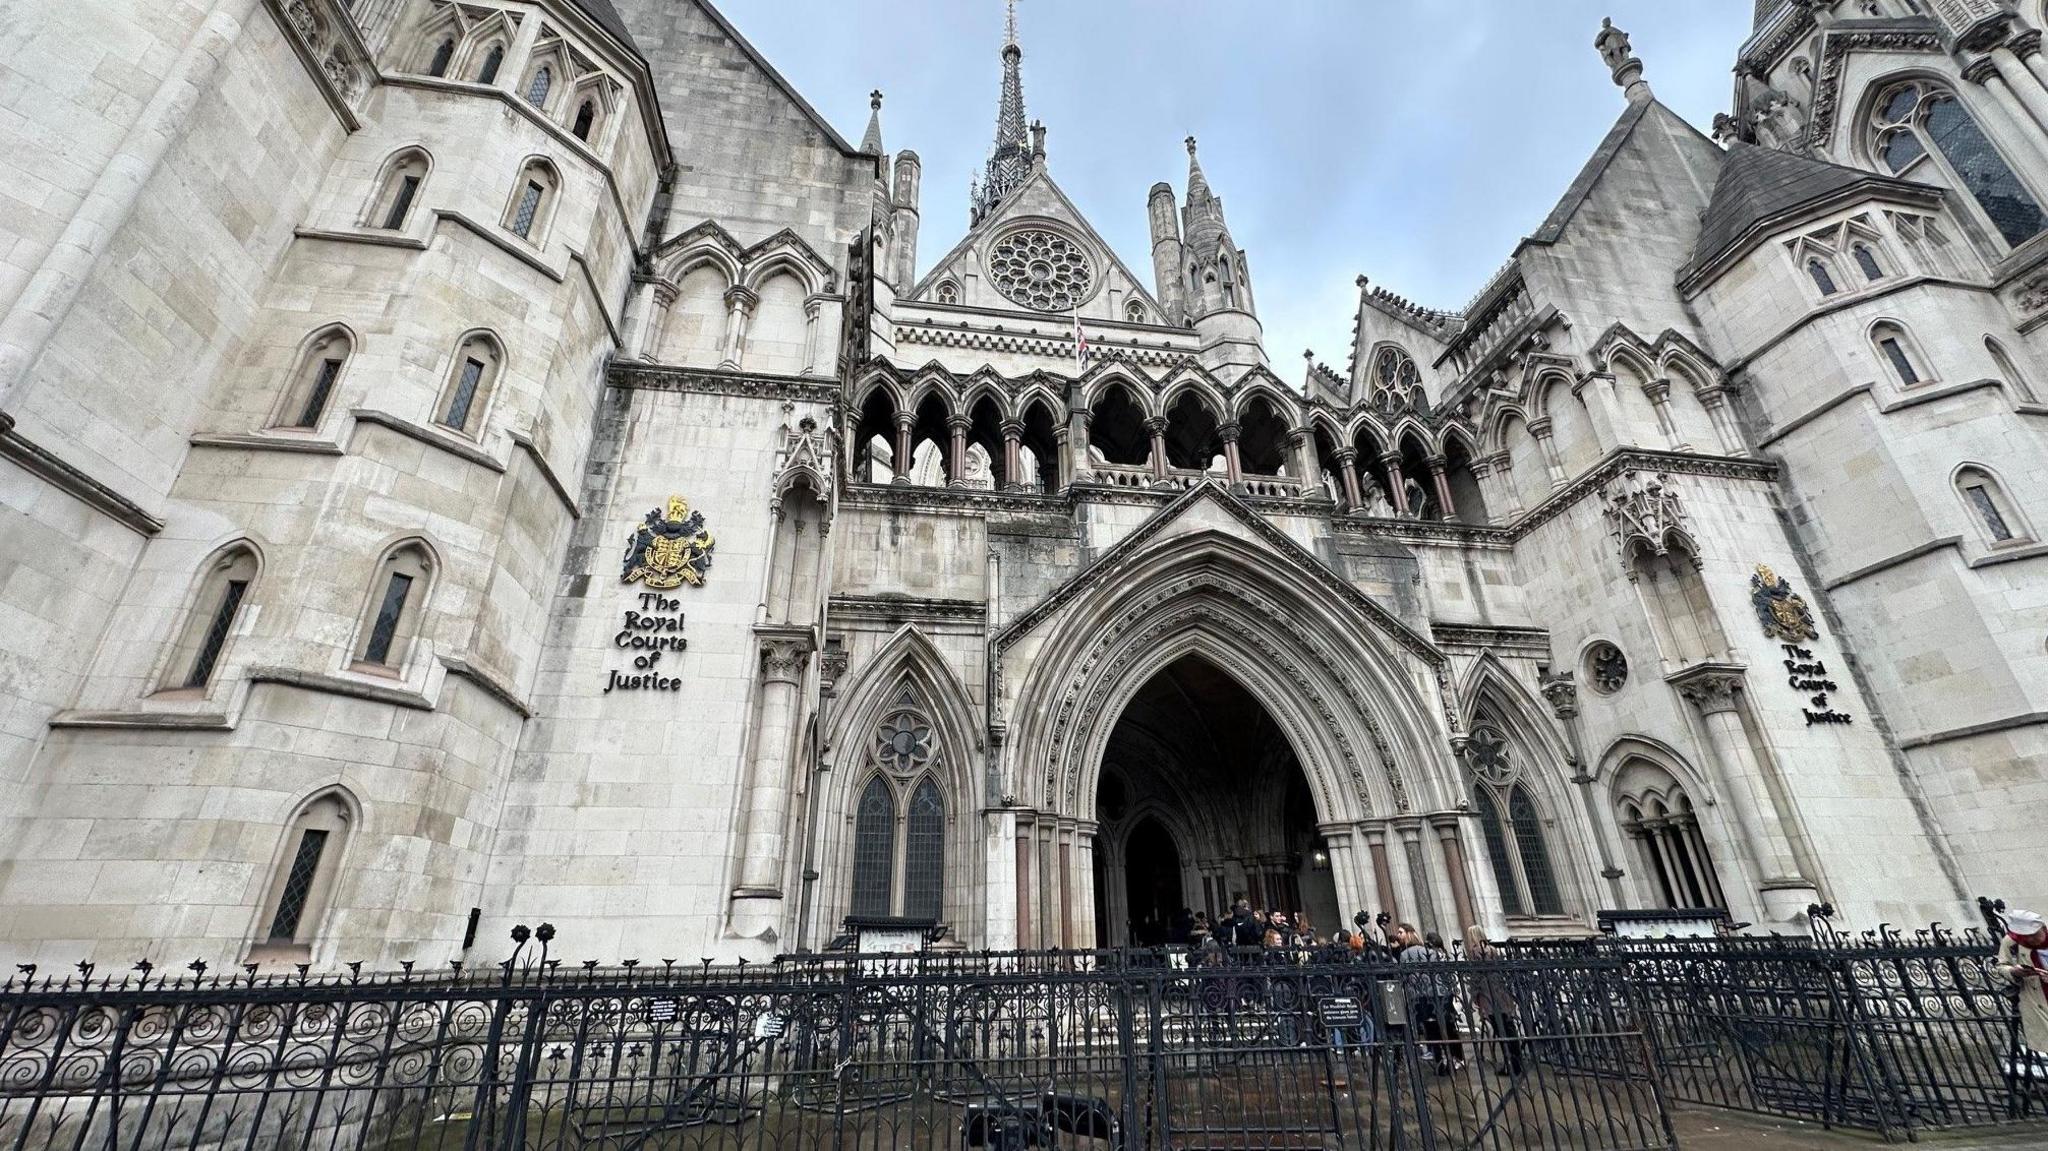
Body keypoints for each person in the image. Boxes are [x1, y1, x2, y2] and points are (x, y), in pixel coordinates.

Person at [1464, 924, 1523, 1075]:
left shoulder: (1476, 952)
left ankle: (1509, 1064)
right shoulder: (1493, 949)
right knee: (1508, 1028)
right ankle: (1517, 1062)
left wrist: (1473, 995)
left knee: (1500, 1028)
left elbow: (1476, 976)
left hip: (1487, 994)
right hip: (1500, 991)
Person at [1998, 909, 2048, 1075]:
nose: (2033, 940)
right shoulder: (2011, 942)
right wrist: (2015, 971)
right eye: (2028, 937)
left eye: (2036, 934)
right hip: (2036, 999)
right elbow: (2001, 966)